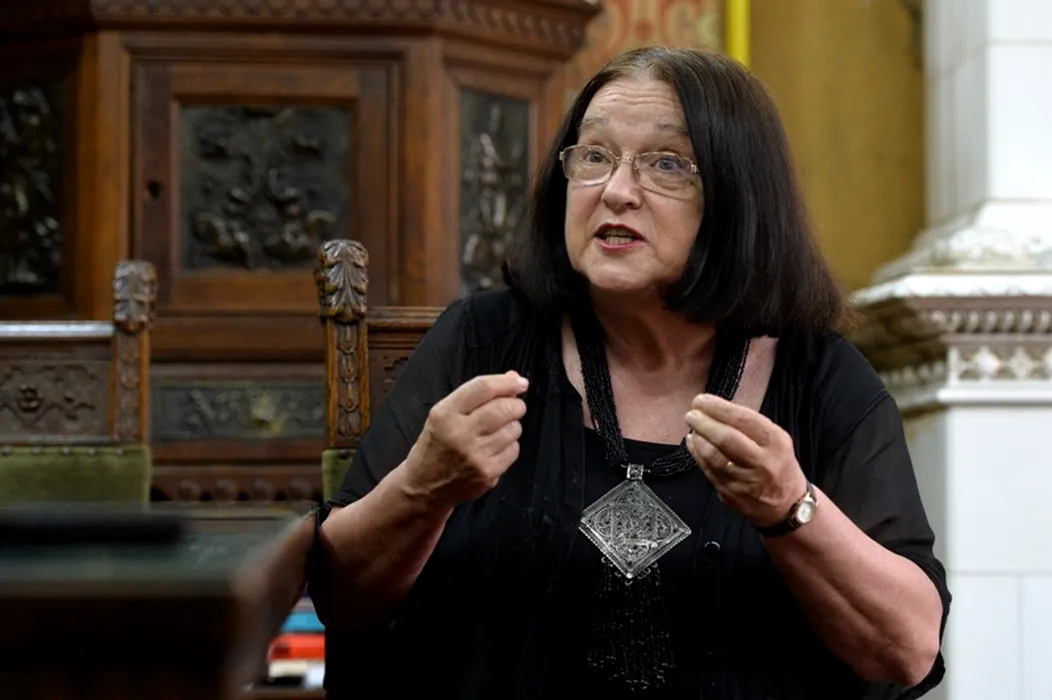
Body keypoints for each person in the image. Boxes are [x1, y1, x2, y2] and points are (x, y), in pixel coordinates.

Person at [307, 46, 950, 699]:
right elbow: (339, 594)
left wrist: (790, 508)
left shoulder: (820, 378)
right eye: (594, 156)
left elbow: (908, 650)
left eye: (666, 164)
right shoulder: (481, 343)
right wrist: (423, 488)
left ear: (738, 198)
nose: (615, 191)